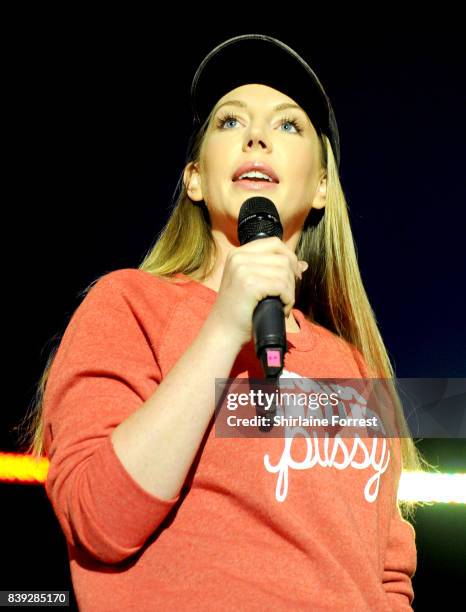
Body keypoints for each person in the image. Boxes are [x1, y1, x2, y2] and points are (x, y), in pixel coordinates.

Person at [18, 34, 431, 610]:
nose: (256, 135)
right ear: (193, 178)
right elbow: (98, 519)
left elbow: (387, 575)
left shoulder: (357, 366)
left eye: (289, 126)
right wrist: (222, 328)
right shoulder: (128, 305)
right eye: (229, 121)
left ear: (321, 186)